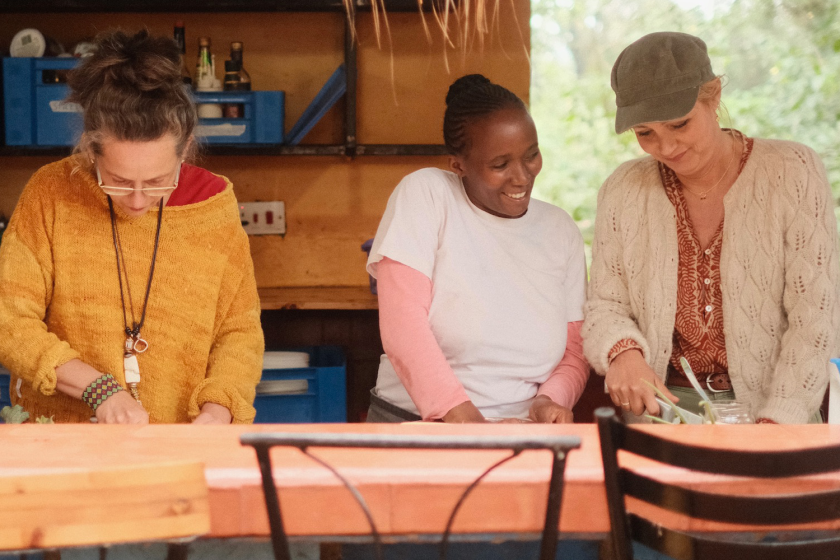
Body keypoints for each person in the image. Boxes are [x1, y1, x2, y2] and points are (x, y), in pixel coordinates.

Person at [0, 29, 264, 424]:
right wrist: (98, 388)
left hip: (178, 442)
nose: (138, 200)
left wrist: (219, 410)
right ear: (91, 148)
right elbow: (9, 319)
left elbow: (237, 332)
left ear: (186, 147)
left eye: (158, 182)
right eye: (119, 181)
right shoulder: (51, 193)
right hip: (62, 441)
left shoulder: (213, 205)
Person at [582, 32, 840, 424]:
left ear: (714, 95)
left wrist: (778, 423)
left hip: (777, 411)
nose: (666, 147)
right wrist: (622, 352)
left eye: (679, 124)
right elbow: (605, 304)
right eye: (645, 133)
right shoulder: (622, 189)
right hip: (659, 414)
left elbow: (816, 316)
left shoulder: (793, 172)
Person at [365, 74, 589, 423]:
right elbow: (402, 327)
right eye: (500, 165)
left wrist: (550, 400)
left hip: (520, 431)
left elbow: (574, 350)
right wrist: (467, 421)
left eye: (531, 155)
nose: (521, 176)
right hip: (416, 423)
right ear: (459, 166)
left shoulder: (560, 230)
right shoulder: (426, 194)